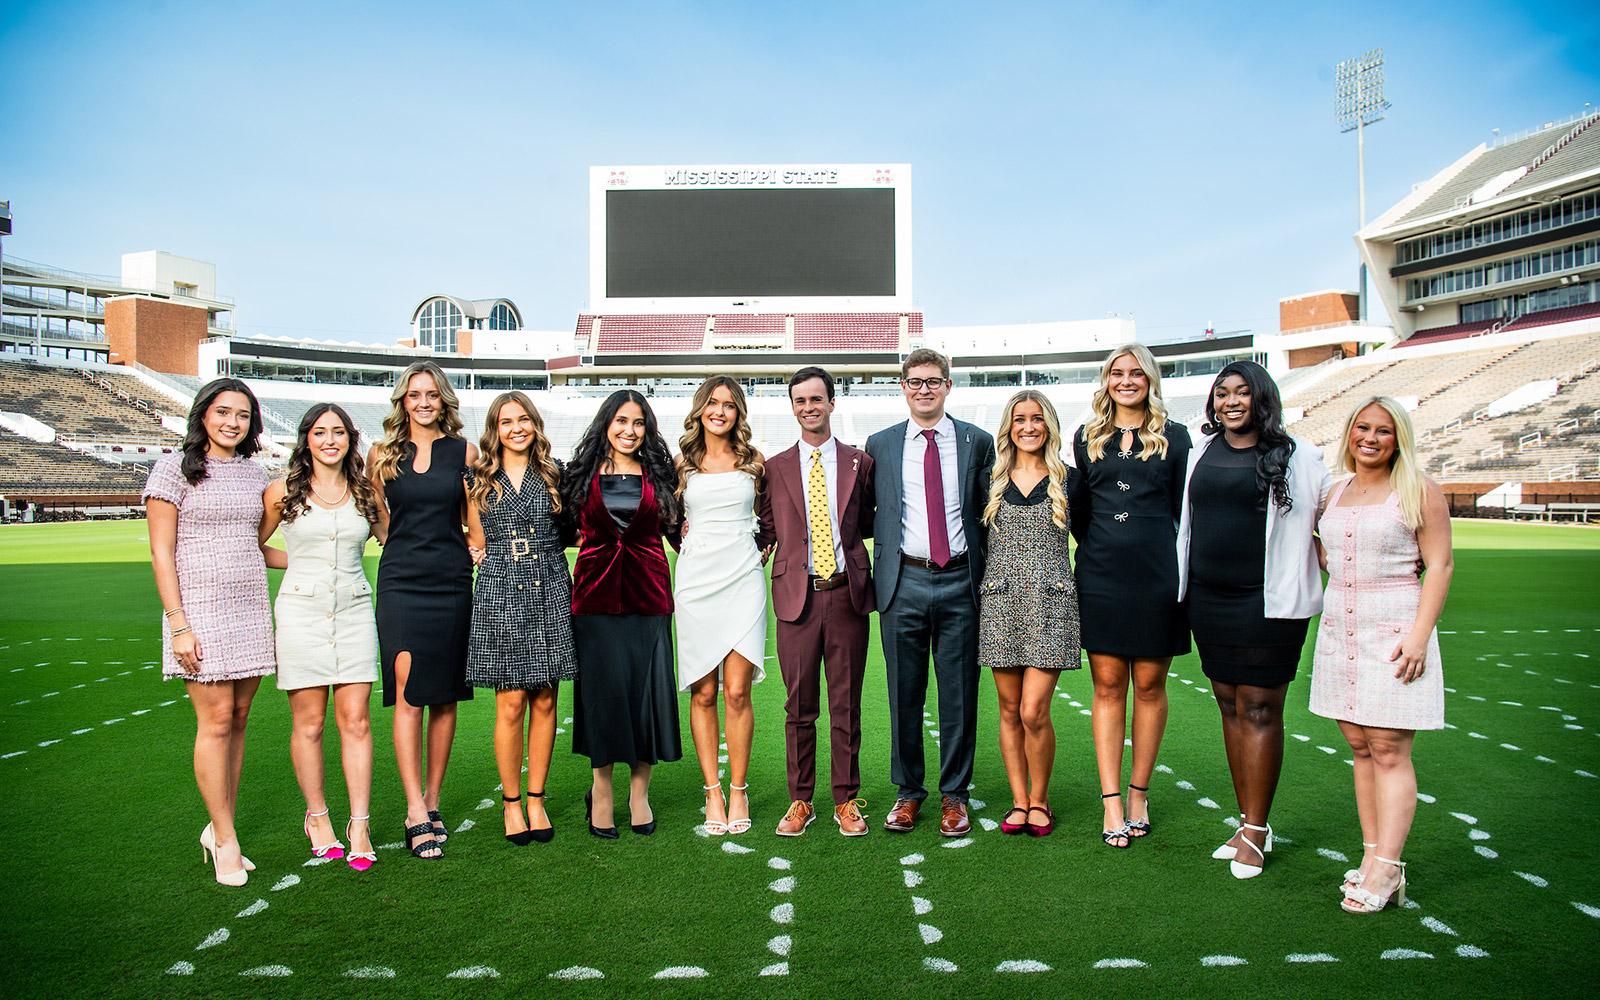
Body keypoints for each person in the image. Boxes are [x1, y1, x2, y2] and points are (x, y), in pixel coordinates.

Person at [1177, 360, 1332, 879]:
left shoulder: (1298, 455)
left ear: (1261, 398)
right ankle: (1247, 822)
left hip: (1269, 601)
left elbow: (1336, 511)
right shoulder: (1200, 451)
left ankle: (1258, 829)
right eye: (1222, 394)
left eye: (1242, 392)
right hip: (1208, 598)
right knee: (1227, 703)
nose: (1231, 402)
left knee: (1260, 707)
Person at [1312, 397, 1452, 913]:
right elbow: (1328, 551)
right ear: (1350, 432)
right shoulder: (1337, 490)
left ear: (1400, 439)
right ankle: (1372, 857)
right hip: (1341, 625)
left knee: (1390, 747)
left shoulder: (1418, 490)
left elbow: (1438, 566)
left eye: (1383, 431)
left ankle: (1390, 867)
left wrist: (1418, 636)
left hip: (1394, 627)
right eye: (1362, 428)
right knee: (1360, 745)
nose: (1370, 438)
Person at [143, 378, 274, 886]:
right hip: (198, 611)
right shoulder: (172, 470)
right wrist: (178, 624)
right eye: (223, 412)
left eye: (242, 415)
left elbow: (257, 543)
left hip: (250, 608)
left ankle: (221, 824)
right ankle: (224, 839)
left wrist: (327, 561)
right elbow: (160, 552)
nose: (231, 423)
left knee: (239, 718)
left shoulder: (255, 473)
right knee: (215, 721)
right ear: (202, 416)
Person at [866, 348, 997, 837]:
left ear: (948, 385)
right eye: (915, 381)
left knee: (959, 694)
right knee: (904, 692)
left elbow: (988, 511)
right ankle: (907, 793)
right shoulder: (879, 444)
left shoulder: (976, 441)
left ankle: (955, 795)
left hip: (961, 580)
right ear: (903, 387)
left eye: (933, 381)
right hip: (904, 582)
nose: (924, 389)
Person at [1069, 344, 1192, 848]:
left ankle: (1139, 792)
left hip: (1159, 576)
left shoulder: (1176, 438)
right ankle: (1111, 801)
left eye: (1136, 372)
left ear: (1150, 379)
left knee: (1149, 685)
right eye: (1117, 373)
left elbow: (1186, 508)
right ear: (1106, 380)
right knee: (1107, 685)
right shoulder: (1085, 438)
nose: (1126, 380)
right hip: (1101, 575)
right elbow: (1078, 512)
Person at [258, 403, 382, 872]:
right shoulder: (281, 492)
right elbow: (252, 544)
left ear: (350, 439)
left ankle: (360, 823)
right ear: (306, 439)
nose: (330, 440)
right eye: (319, 432)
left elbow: (392, 536)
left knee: (357, 722)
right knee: (309, 724)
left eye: (339, 432)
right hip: (300, 613)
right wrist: (302, 565)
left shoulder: (367, 493)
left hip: (352, 610)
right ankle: (318, 817)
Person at [757, 367, 876, 837]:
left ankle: (846, 799)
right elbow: (766, 528)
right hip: (796, 598)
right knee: (798, 706)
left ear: (832, 402)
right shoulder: (774, 467)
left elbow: (867, 521)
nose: (809, 407)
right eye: (800, 401)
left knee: (846, 704)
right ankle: (800, 799)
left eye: (816, 399)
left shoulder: (859, 463)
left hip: (846, 594)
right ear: (792, 407)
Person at [563, 390, 683, 838]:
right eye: (621, 421)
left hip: (649, 599)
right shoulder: (580, 475)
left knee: (646, 696)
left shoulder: (661, 475)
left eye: (638, 423)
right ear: (606, 424)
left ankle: (639, 794)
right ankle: (601, 791)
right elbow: (559, 531)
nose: (629, 431)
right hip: (593, 601)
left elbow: (682, 533)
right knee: (601, 697)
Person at [369, 361, 476, 860]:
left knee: (445, 696)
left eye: (432, 394)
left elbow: (472, 523)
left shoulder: (465, 452)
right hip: (401, 583)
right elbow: (382, 523)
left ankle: (433, 800)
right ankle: (414, 809)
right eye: (414, 395)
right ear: (403, 401)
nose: (424, 402)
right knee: (410, 690)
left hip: (452, 581)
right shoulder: (381, 454)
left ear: (444, 399)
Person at [464, 392, 577, 846]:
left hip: (549, 584)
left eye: (524, 419)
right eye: (507, 421)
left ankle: (536, 799)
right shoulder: (475, 478)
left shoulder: (554, 474)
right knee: (510, 701)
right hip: (500, 588)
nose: (517, 427)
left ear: (535, 424)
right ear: (495, 428)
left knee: (546, 699)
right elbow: (476, 537)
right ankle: (512, 803)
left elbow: (572, 529)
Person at [979, 390, 1081, 838]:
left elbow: (1095, 542)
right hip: (1001, 602)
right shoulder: (989, 479)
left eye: (1037, 419)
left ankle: (1041, 799)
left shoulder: (1069, 480)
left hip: (1051, 606)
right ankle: (1019, 801)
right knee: (1008, 707)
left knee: (1034, 709)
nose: (1028, 427)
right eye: (1019, 419)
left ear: (1049, 425)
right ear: (1009, 426)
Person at [674, 376, 773, 836]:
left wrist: (765, 545)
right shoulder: (682, 463)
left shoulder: (755, 462)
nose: (720, 411)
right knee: (705, 692)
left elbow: (771, 517)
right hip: (696, 581)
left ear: (739, 414)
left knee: (736, 691)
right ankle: (711, 791)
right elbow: (668, 518)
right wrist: (681, 540)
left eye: (729, 405)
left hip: (743, 577)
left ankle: (738, 789)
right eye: (712, 403)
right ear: (700, 409)